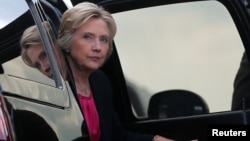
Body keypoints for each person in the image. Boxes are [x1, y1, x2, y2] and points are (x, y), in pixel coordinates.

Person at [57, 2, 175, 141]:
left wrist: (157, 140)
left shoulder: (100, 81)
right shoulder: (55, 84)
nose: (98, 47)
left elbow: (117, 135)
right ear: (67, 41)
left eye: (104, 39)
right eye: (87, 37)